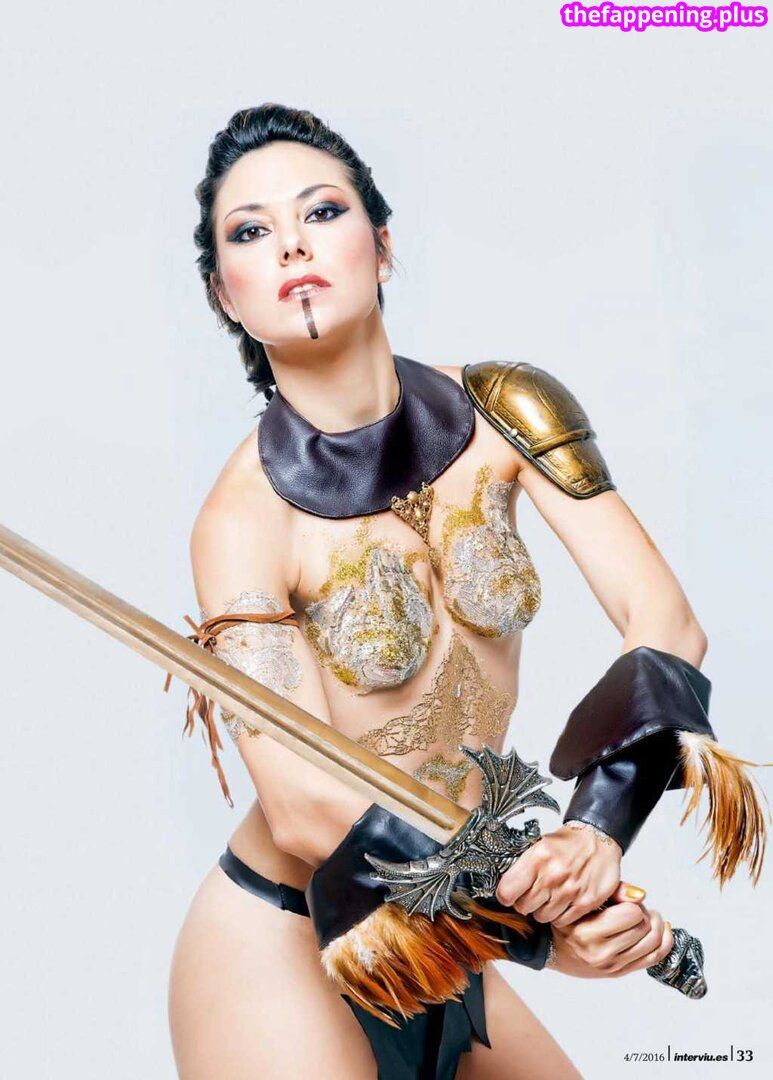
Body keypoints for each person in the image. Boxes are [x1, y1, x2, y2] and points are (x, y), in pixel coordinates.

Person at [167, 104, 766, 1080]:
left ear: (381, 244)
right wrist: (536, 930)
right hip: (288, 943)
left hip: (450, 926)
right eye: (249, 231)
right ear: (223, 294)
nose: (290, 245)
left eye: (321, 212)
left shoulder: (506, 409)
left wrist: (592, 834)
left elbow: (663, 623)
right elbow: (306, 807)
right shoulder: (241, 520)